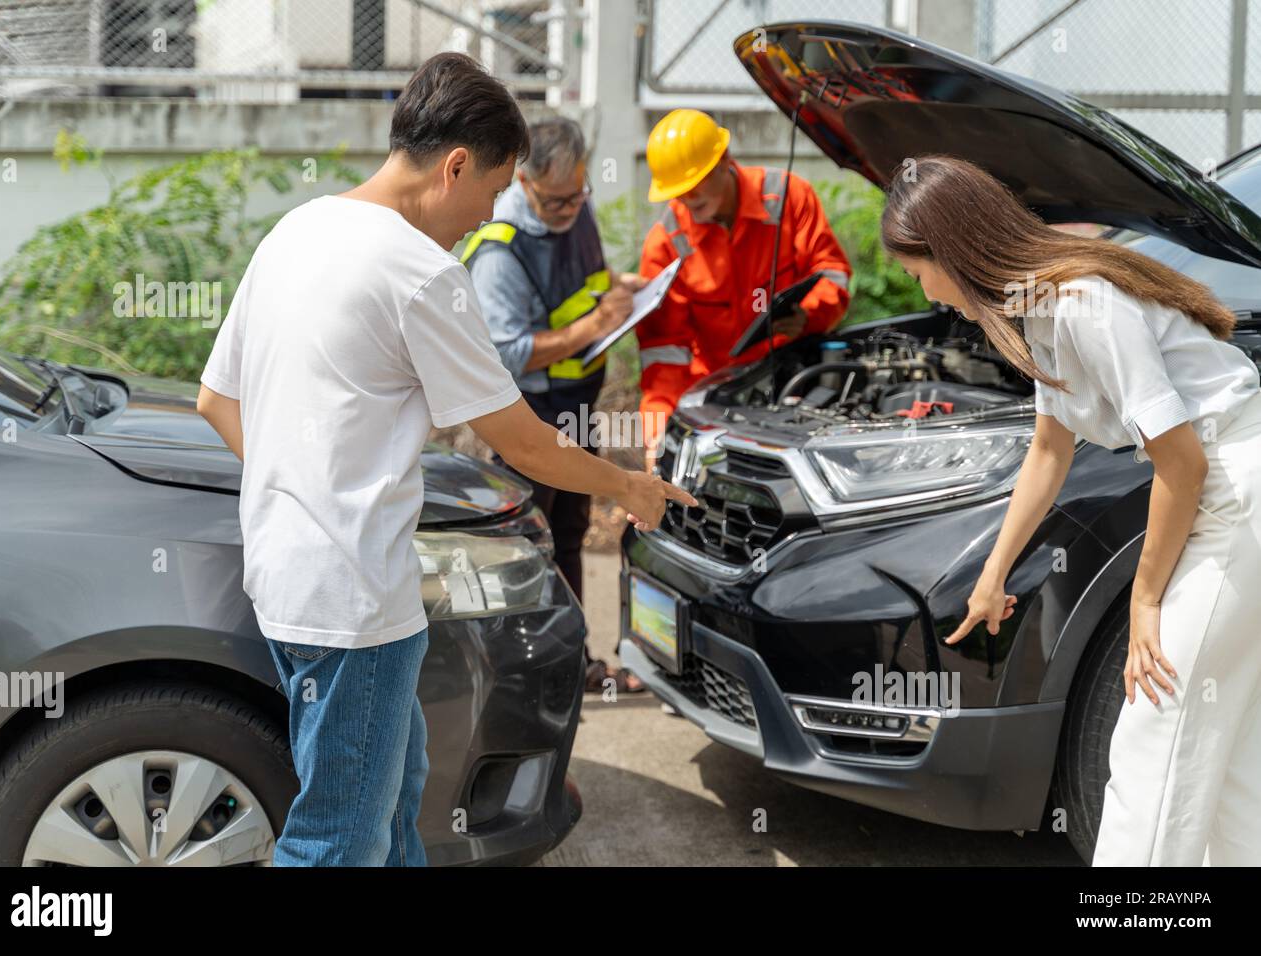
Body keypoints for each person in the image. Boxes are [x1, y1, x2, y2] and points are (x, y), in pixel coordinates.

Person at [196, 52, 696, 867]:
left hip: (286, 577)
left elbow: (216, 402)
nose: (486, 216)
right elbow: (526, 441)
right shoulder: (421, 272)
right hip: (353, 601)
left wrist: (298, 492)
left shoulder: (295, 230)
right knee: (335, 842)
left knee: (396, 798)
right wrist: (629, 486)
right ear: (456, 165)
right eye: (494, 191)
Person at [884, 154, 1261, 866]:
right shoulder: (1042, 311)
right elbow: (1048, 453)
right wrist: (994, 573)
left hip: (1239, 492)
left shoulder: (1085, 305)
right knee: (1230, 755)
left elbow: (1183, 464)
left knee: (1158, 727)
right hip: (1231, 490)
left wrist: (1145, 600)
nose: (925, 293)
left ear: (953, 251)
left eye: (917, 272)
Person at [462, 116, 648, 694]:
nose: (570, 209)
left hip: (577, 406)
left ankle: (576, 662)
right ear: (523, 179)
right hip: (530, 421)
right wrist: (595, 324)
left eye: (578, 195)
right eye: (556, 200)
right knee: (525, 542)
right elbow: (510, 354)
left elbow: (584, 287)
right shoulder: (501, 249)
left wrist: (625, 290)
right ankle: (518, 672)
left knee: (570, 532)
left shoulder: (577, 211)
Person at [635, 108, 853, 465]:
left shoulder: (789, 197)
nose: (688, 199)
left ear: (725, 160)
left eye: (697, 184)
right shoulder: (665, 244)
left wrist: (810, 315)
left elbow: (833, 275)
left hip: (794, 374)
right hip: (719, 394)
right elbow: (664, 354)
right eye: (679, 191)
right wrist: (657, 434)